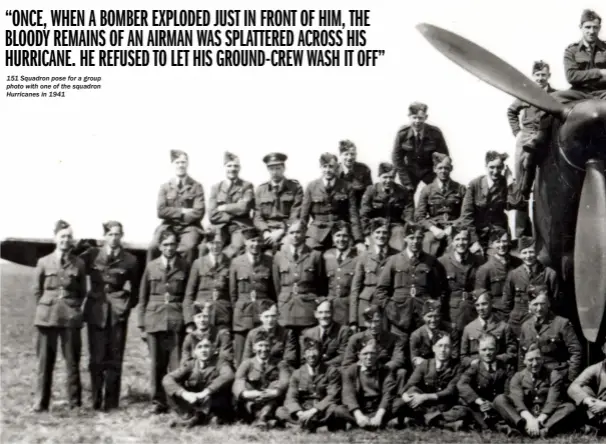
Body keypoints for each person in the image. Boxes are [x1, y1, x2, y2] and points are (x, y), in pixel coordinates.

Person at [79, 220, 139, 411]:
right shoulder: (92, 255)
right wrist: (79, 247)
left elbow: (137, 288)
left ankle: (111, 403)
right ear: (104, 236)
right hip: (96, 309)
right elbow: (73, 266)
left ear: (122, 236)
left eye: (117, 234)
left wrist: (126, 305)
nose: (114, 238)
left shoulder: (130, 259)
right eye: (110, 234)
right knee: (96, 358)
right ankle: (96, 401)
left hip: (117, 312)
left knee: (115, 358)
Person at [32, 220, 87, 412]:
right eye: (62, 236)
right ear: (55, 238)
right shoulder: (43, 262)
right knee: (44, 362)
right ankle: (40, 403)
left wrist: (72, 309)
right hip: (47, 317)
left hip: (70, 317)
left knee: (72, 362)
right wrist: (46, 307)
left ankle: (75, 403)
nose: (66, 240)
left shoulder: (79, 263)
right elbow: (37, 291)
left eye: (69, 236)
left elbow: (82, 292)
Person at [138, 228, 190, 414]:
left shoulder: (185, 265)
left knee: (176, 366)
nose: (169, 248)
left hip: (176, 319)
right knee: (156, 365)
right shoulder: (151, 266)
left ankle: (176, 403)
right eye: (166, 244)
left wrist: (188, 321)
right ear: (160, 246)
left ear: (177, 245)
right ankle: (157, 402)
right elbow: (143, 297)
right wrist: (142, 325)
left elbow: (187, 295)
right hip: (154, 319)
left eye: (172, 244)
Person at [506, 61, 555, 238]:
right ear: (533, 76)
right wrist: (517, 133)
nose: (540, 78)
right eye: (537, 75)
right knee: (521, 185)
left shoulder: (556, 95)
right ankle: (520, 236)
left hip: (546, 139)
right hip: (526, 136)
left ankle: (544, 232)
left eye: (543, 75)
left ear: (549, 76)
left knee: (546, 185)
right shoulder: (525, 93)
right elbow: (511, 111)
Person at [375, 221, 447, 340]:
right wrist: (390, 309)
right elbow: (381, 290)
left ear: (423, 238)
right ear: (405, 238)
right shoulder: (394, 260)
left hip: (423, 319)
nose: (415, 241)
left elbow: (441, 290)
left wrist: (434, 308)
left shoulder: (432, 262)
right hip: (399, 317)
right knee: (399, 352)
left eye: (419, 238)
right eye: (411, 238)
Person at [494, 343, 576, 438]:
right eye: (530, 360)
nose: (535, 363)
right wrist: (530, 420)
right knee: (499, 399)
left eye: (538, 359)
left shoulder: (554, 375)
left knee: (569, 407)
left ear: (543, 359)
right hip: (525, 417)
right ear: (524, 361)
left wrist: (538, 420)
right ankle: (529, 428)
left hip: (546, 417)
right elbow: (518, 402)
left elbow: (552, 401)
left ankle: (538, 430)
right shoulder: (518, 377)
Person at [393, 333, 466, 430]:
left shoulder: (458, 367)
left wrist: (425, 397)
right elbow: (411, 383)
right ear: (433, 348)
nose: (443, 350)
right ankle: (442, 424)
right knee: (408, 394)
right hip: (425, 406)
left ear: (452, 349)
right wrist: (404, 395)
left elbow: (450, 391)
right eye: (440, 346)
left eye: (447, 346)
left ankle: (419, 421)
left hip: (445, 406)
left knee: (463, 410)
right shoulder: (425, 364)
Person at [273, 220, 325, 353]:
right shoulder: (279, 256)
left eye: (298, 232)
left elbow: (320, 285)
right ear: (287, 234)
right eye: (292, 232)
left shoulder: (315, 256)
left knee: (307, 350)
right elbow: (276, 285)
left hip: (307, 310)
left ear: (304, 233)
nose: (295, 235)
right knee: (287, 351)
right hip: (286, 309)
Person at [162, 333, 235, 427]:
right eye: (199, 347)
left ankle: (203, 418)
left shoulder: (220, 362)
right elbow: (168, 378)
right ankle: (187, 415)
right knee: (171, 387)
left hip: (213, 402)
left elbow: (229, 375)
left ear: (214, 350)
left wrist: (207, 391)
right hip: (194, 401)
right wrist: (184, 394)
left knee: (220, 397)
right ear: (195, 352)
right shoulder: (190, 364)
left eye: (206, 347)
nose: (203, 350)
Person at [148, 150, 205, 266]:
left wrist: (174, 214)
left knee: (188, 249)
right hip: (168, 226)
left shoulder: (196, 186)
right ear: (172, 164)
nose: (180, 165)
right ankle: (151, 279)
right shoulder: (165, 187)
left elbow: (199, 212)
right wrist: (182, 211)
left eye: (183, 162)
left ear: (187, 164)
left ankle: (183, 280)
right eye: (177, 162)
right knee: (153, 247)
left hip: (190, 227)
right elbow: (161, 211)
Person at [229, 227, 276, 367]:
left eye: (258, 241)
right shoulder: (236, 262)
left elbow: (274, 290)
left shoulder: (270, 261)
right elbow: (233, 293)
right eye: (251, 241)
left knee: (263, 354)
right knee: (240, 358)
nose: (255, 244)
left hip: (262, 316)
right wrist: (237, 311)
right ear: (245, 242)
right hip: (242, 316)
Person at [460, 151, 523, 254]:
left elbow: (516, 204)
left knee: (496, 258)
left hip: (497, 233)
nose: (495, 171)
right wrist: (474, 241)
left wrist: (510, 182)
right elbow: (466, 216)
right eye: (492, 167)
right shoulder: (475, 184)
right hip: (476, 232)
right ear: (486, 166)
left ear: (503, 168)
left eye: (499, 167)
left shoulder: (505, 183)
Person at [276, 337, 343, 432]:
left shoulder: (331, 371)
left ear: (320, 353)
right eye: (308, 351)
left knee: (335, 409)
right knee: (280, 411)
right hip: (303, 409)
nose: (311, 355)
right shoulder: (297, 373)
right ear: (304, 354)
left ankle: (301, 426)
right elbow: (291, 397)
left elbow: (332, 395)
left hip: (322, 411)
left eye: (315, 351)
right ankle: (311, 426)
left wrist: (314, 411)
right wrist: (299, 413)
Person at [300, 152, 364, 252]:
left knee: (349, 253)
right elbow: (304, 215)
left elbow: (353, 215)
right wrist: (300, 236)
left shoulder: (346, 186)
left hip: (340, 229)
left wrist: (358, 239)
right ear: (320, 167)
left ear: (336, 167)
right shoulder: (312, 186)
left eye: (331, 166)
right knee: (310, 254)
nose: (328, 170)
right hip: (317, 231)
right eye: (324, 166)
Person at [518, 288, 582, 385]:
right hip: (534, 380)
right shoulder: (525, 326)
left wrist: (571, 378)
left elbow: (576, 351)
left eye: (543, 304)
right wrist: (523, 378)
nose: (539, 308)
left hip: (558, 377)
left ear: (548, 304)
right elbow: (522, 357)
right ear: (529, 305)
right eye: (535, 304)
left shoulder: (561, 323)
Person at [501, 236, 559, 336]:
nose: (528, 256)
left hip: (542, 321)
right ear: (519, 255)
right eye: (524, 253)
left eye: (531, 252)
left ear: (536, 252)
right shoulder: (513, 274)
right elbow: (507, 302)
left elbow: (555, 301)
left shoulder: (549, 274)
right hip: (518, 322)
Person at [233, 329, 291, 429]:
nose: (264, 349)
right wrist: (247, 393)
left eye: (267, 345)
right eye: (260, 345)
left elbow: (285, 380)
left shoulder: (280, 363)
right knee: (246, 385)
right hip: (252, 400)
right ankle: (261, 418)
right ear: (254, 348)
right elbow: (238, 381)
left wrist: (275, 392)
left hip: (271, 400)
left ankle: (262, 418)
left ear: (271, 347)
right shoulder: (247, 363)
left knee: (275, 384)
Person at [335, 339, 398, 430]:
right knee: (339, 410)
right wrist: (359, 415)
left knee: (400, 403)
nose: (369, 357)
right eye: (365, 354)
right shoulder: (351, 371)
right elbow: (348, 395)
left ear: (377, 355)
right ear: (359, 355)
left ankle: (374, 422)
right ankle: (362, 422)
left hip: (378, 407)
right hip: (361, 408)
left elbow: (388, 394)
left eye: (373, 353)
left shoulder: (386, 370)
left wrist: (379, 416)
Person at [456, 333, 512, 431]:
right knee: (465, 409)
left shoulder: (505, 367)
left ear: (497, 348)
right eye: (483, 350)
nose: (487, 353)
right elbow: (461, 384)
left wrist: (493, 404)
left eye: (491, 349)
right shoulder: (475, 367)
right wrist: (479, 401)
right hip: (479, 406)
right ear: (478, 349)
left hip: (497, 405)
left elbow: (509, 390)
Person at [392, 101, 450, 194]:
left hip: (430, 171)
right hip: (410, 171)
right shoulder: (402, 134)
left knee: (438, 194)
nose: (417, 121)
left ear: (426, 117)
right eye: (414, 118)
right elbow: (397, 159)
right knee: (406, 197)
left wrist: (439, 177)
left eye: (420, 118)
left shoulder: (435, 133)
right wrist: (406, 181)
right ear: (409, 117)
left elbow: (444, 157)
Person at [349, 218, 398, 328]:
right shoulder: (364, 257)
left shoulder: (396, 256)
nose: (381, 236)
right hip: (367, 305)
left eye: (384, 232)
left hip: (387, 306)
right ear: (372, 234)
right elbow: (355, 289)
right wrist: (353, 320)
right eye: (378, 232)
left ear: (389, 235)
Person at [416, 153, 467, 257]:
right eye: (440, 168)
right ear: (434, 169)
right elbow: (419, 216)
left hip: (454, 228)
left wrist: (452, 227)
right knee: (428, 245)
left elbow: (465, 214)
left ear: (451, 169)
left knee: (457, 246)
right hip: (434, 229)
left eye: (446, 168)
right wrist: (432, 229)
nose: (443, 171)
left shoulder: (460, 189)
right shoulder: (427, 190)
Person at [208, 152, 255, 259]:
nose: (232, 169)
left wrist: (224, 207)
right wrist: (234, 211)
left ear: (240, 168)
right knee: (211, 246)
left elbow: (244, 207)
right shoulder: (216, 187)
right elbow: (211, 214)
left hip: (240, 226)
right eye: (229, 165)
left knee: (236, 248)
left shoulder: (247, 186)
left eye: (236, 166)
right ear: (224, 167)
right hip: (220, 226)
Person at [254, 152, 303, 252]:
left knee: (287, 249)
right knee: (253, 249)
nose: (274, 172)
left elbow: (295, 214)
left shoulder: (295, 187)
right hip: (266, 231)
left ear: (284, 168)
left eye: (278, 168)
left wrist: (281, 231)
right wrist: (266, 231)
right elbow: (257, 216)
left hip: (287, 231)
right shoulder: (261, 189)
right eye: (271, 169)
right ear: (267, 169)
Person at [184, 229, 232, 331]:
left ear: (223, 243)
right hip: (202, 317)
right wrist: (190, 322)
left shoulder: (231, 263)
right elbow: (189, 295)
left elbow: (234, 293)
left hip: (223, 315)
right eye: (212, 243)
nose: (215, 246)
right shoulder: (198, 263)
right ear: (207, 244)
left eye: (218, 243)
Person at [360, 162, 414, 251]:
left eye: (391, 177)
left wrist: (407, 228)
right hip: (376, 226)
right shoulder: (371, 190)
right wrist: (366, 234)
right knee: (374, 251)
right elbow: (364, 213)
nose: (388, 180)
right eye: (385, 177)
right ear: (379, 177)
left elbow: (409, 212)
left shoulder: (403, 191)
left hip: (395, 226)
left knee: (399, 248)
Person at [438, 224, 483, 331]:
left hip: (473, 312)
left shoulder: (479, 261)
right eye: (457, 239)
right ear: (452, 242)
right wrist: (442, 319)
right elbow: (439, 293)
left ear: (469, 241)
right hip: (451, 315)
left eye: (464, 239)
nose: (461, 243)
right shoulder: (442, 262)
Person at [460, 289, 517, 369]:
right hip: (476, 371)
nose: (481, 308)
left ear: (491, 303)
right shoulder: (469, 329)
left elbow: (511, 354)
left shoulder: (503, 327)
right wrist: (472, 362)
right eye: (477, 305)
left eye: (484, 304)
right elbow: (463, 357)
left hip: (497, 369)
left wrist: (494, 360)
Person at [342, 306, 407, 374]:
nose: (373, 325)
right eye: (369, 322)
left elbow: (398, 359)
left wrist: (381, 370)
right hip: (363, 375)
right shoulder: (356, 339)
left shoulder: (393, 338)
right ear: (364, 322)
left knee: (401, 372)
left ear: (382, 320)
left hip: (384, 373)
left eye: (377, 321)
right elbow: (347, 364)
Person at [562, 9, 606, 100]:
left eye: (595, 27)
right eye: (588, 27)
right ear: (580, 27)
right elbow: (571, 76)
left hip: (603, 92)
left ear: (599, 28)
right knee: (554, 99)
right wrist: (599, 72)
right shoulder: (571, 50)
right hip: (579, 93)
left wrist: (582, 76)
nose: (592, 31)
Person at [241, 301, 297, 369]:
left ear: (278, 316)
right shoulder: (253, 334)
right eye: (266, 316)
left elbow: (289, 359)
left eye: (273, 316)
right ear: (260, 317)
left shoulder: (287, 333)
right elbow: (246, 358)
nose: (270, 320)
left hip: (279, 368)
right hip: (257, 369)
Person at [323, 221, 359, 325]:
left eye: (345, 236)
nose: (341, 239)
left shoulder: (357, 258)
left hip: (347, 308)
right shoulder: (326, 255)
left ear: (350, 238)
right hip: (329, 308)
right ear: (333, 237)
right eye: (338, 235)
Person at [299, 299, 353, 368]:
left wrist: (323, 366)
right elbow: (304, 358)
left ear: (333, 313)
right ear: (315, 314)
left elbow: (343, 355)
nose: (324, 316)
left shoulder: (343, 331)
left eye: (327, 312)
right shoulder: (308, 333)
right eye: (320, 312)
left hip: (335, 369)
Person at [567, 341, 606, 436]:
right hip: (600, 411)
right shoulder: (597, 368)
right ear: (604, 349)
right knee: (583, 388)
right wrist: (588, 400)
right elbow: (573, 387)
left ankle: (598, 428)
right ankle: (600, 424)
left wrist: (604, 405)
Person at [475, 227, 522, 303]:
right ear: (492, 244)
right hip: (497, 311)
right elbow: (481, 297)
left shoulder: (518, 263)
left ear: (509, 242)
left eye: (504, 241)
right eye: (498, 242)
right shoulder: (485, 269)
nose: (502, 245)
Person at [181, 302, 233, 367]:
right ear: (194, 319)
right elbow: (185, 361)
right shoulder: (190, 337)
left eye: (205, 316)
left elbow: (226, 358)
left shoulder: (221, 335)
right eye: (199, 317)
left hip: (216, 369)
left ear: (210, 318)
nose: (202, 320)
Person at [409, 299, 460, 367]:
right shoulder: (416, 335)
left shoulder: (451, 329)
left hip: (447, 368)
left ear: (441, 316)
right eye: (429, 316)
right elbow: (415, 360)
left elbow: (455, 355)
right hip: (426, 370)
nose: (433, 320)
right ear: (423, 317)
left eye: (436, 316)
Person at [337, 139, 373, 209]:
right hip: (339, 211)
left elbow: (369, 194)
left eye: (352, 154)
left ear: (356, 154)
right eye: (346, 154)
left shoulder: (364, 169)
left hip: (359, 208)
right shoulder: (334, 171)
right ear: (340, 155)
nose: (349, 157)